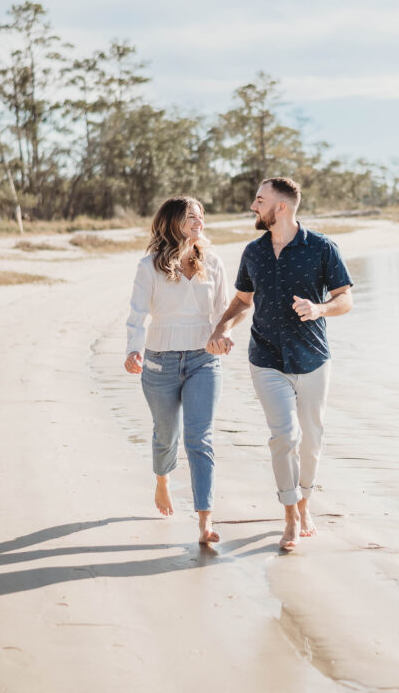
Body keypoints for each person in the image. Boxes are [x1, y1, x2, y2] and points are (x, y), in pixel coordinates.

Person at [207, 177, 353, 550]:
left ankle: (305, 503)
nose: (254, 206)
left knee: (312, 439)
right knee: (284, 436)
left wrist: (319, 308)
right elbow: (242, 300)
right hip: (266, 358)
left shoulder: (321, 248)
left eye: (260, 200)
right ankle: (289, 515)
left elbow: (345, 299)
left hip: (313, 360)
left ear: (281, 207)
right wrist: (222, 325)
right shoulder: (253, 253)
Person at [125, 196, 228, 544]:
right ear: (172, 223)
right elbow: (137, 314)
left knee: (200, 438)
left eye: (200, 217)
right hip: (159, 361)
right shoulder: (149, 265)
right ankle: (163, 480)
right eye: (190, 218)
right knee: (166, 434)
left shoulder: (212, 263)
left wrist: (222, 335)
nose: (198, 223)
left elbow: (223, 312)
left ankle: (205, 522)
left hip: (203, 359)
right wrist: (133, 350)